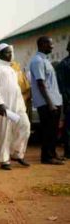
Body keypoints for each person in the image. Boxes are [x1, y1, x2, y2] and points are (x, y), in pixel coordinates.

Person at [0, 44, 31, 170]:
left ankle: (17, 153)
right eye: (7, 52)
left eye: (11, 52)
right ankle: (4, 160)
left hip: (18, 104)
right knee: (4, 132)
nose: (10, 54)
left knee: (25, 126)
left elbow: (16, 88)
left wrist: (22, 104)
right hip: (4, 105)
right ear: (0, 54)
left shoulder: (12, 68)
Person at [30, 36, 64, 165]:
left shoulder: (45, 60)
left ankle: (53, 153)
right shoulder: (37, 61)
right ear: (42, 44)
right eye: (50, 44)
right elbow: (41, 83)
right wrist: (50, 103)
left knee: (54, 130)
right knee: (48, 130)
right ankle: (47, 157)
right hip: (46, 102)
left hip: (54, 100)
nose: (52, 46)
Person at [56, 40, 70, 159]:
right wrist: (67, 100)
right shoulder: (63, 65)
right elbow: (62, 86)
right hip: (69, 99)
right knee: (68, 126)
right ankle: (68, 151)